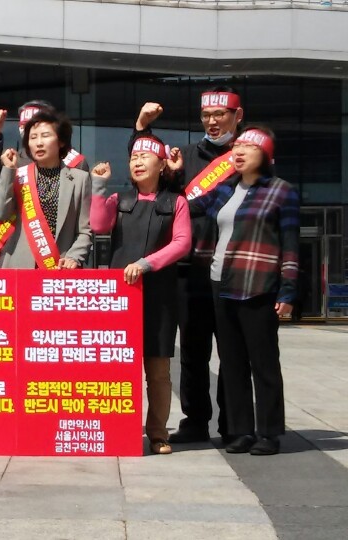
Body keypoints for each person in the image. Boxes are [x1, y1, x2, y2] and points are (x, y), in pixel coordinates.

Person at [133, 88, 244, 444]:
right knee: (193, 351)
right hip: (189, 270)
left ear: (237, 116)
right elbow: (156, 185)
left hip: (233, 269)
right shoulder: (186, 156)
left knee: (232, 351)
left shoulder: (245, 156)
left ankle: (233, 426)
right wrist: (144, 130)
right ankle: (195, 421)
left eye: (220, 114)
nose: (212, 122)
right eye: (206, 115)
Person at [189, 127, 298, 456]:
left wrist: (287, 292)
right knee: (232, 362)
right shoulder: (225, 189)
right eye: (236, 146)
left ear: (265, 155)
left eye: (247, 147)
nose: (238, 152)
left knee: (263, 363)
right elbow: (189, 206)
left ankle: (269, 433)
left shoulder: (281, 192)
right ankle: (241, 431)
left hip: (258, 287)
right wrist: (172, 174)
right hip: (220, 283)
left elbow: (291, 246)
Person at [90, 135, 191, 455]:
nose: (137, 162)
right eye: (134, 157)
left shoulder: (176, 202)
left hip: (159, 297)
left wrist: (147, 264)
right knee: (118, 369)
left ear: (162, 165)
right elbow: (98, 224)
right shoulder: (119, 199)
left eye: (145, 157)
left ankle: (158, 433)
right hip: (122, 298)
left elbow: (182, 243)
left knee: (158, 372)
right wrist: (99, 185)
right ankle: (118, 431)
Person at [0, 110, 92, 269]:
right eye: (33, 137)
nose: (38, 143)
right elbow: (0, 213)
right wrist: (8, 171)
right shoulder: (18, 176)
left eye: (45, 136)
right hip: (20, 269)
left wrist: (74, 257)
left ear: (61, 141)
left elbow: (85, 230)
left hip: (61, 269)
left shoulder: (80, 179)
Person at [0, 100, 90, 182]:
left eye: (44, 134)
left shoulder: (74, 162)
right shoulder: (13, 161)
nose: (38, 141)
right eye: (25, 127)